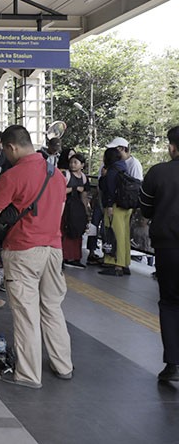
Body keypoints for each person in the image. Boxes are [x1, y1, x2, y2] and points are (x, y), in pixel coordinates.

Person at [0, 125, 72, 389]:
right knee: (52, 308)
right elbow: (60, 209)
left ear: (11, 147)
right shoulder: (56, 175)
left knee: (26, 314)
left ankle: (28, 374)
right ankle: (63, 365)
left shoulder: (13, 175)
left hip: (23, 250)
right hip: (54, 249)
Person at [139, 126, 179, 382]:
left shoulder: (158, 172)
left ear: (172, 147)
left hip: (169, 247)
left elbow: (145, 209)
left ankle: (173, 364)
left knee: (170, 303)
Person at [98, 147, 131, 276]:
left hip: (115, 206)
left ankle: (116, 265)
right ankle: (125, 263)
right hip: (126, 206)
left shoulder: (112, 170)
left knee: (114, 234)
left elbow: (109, 189)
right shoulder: (123, 166)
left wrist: (109, 205)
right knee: (124, 235)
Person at [62, 153, 90, 268]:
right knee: (65, 230)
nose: (72, 165)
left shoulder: (84, 178)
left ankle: (75, 257)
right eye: (71, 162)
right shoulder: (65, 175)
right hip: (66, 207)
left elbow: (85, 195)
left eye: (75, 162)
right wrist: (74, 189)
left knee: (77, 231)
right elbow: (59, 191)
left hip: (77, 208)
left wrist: (86, 210)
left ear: (82, 165)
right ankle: (65, 256)